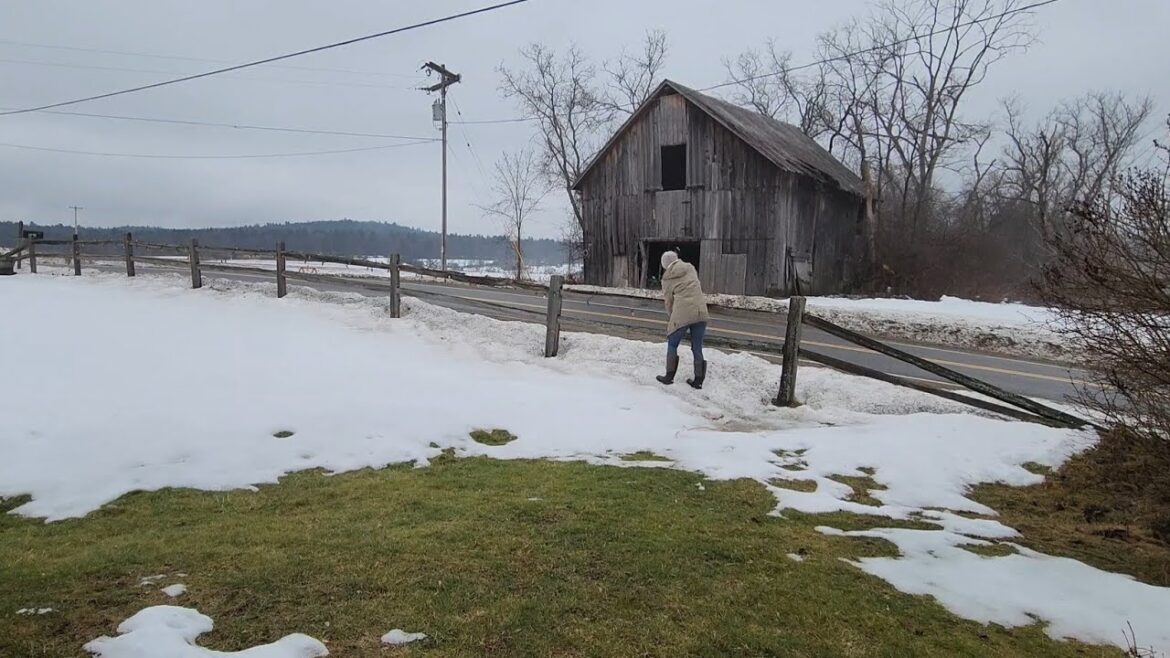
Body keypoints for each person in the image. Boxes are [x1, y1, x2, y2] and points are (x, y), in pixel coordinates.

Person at [656, 250, 709, 389]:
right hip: (700, 311)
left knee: (672, 343)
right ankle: (698, 381)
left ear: (665, 265)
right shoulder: (690, 267)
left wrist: (672, 316)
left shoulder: (667, 278)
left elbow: (668, 301)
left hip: (682, 313)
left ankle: (669, 376)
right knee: (697, 346)